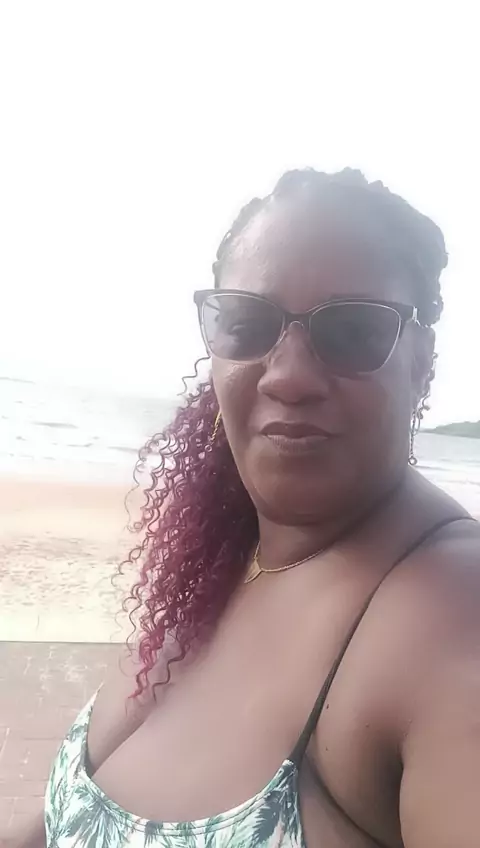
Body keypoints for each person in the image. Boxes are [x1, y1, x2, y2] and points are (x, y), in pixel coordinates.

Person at [14, 168, 480, 848]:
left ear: (422, 362)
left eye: (352, 331)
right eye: (248, 324)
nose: (288, 375)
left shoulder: (451, 615)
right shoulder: (232, 557)